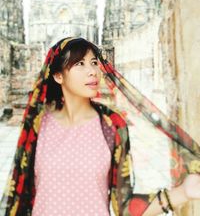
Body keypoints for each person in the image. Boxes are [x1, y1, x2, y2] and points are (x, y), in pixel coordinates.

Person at [0, 37, 200, 216]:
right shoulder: (38, 124)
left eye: (94, 63)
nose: (93, 71)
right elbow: (20, 194)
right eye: (80, 63)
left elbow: (125, 207)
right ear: (58, 76)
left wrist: (183, 193)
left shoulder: (111, 125)